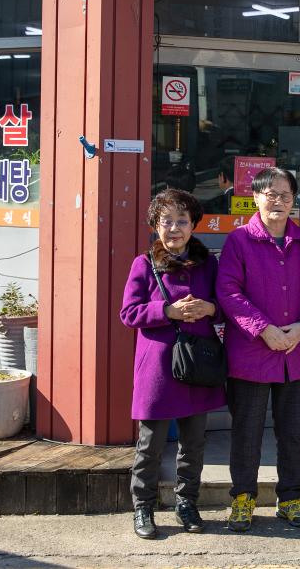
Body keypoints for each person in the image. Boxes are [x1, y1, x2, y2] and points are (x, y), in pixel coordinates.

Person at [216, 167, 300, 532]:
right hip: (251, 354)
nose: (278, 201)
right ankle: (243, 498)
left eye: (286, 195)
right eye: (270, 194)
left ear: (295, 201)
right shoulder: (239, 240)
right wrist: (263, 329)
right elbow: (228, 291)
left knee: (293, 432)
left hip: (297, 352)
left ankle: (290, 497)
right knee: (247, 431)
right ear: (256, 197)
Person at [119, 188, 225, 539]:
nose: (175, 228)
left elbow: (226, 304)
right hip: (158, 370)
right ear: (155, 225)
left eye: (182, 221)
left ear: (194, 224)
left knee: (193, 443)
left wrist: (211, 309)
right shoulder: (144, 264)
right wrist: (167, 310)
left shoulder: (209, 263)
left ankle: (186, 502)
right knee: (150, 444)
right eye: (167, 221)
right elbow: (129, 313)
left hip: (197, 366)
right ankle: (143, 507)